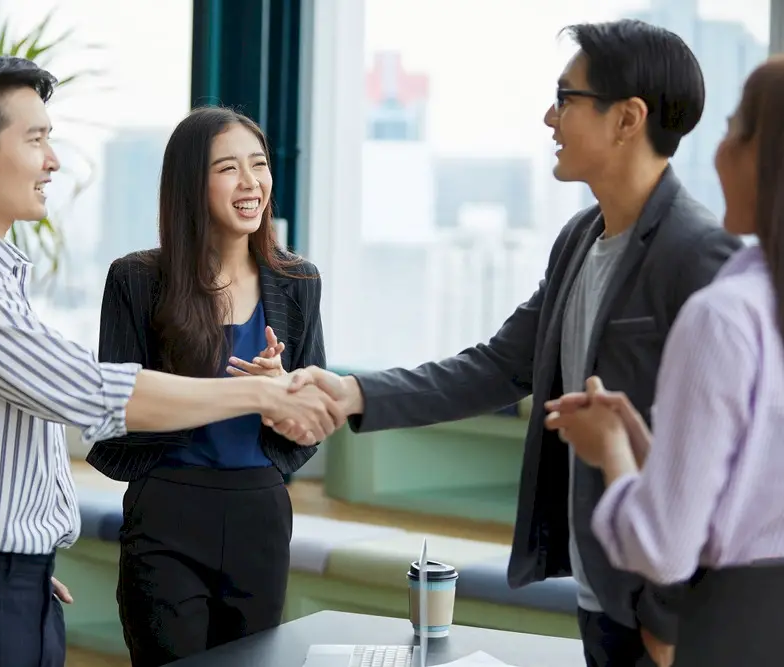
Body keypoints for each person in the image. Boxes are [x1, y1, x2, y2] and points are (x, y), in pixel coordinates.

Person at [280, 19, 743, 667]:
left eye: (566, 97)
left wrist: (670, 612)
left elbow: (721, 459)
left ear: (627, 119)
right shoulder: (579, 240)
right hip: (600, 587)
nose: (549, 117)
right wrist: (354, 391)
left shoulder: (698, 255)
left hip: (664, 612)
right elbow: (500, 365)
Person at [0, 57, 342, 667]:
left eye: (259, 164)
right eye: (37, 139)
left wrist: (17, 566)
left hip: (4, 580)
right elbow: (89, 392)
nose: (54, 160)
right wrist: (261, 394)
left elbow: (3, 436)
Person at [544, 56, 784, 667]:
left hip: (721, 630)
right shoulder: (578, 240)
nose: (717, 153)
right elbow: (745, 483)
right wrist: (651, 447)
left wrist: (613, 451)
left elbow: (663, 546)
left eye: (734, 131)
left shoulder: (724, 310)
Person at [85, 106, 325, 667]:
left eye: (259, 165)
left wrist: (283, 394)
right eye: (228, 168)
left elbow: (313, 420)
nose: (251, 183)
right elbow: (110, 412)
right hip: (167, 508)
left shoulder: (297, 282)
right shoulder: (137, 280)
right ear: (191, 183)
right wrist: (231, 394)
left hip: (260, 512)